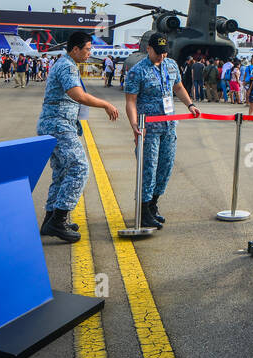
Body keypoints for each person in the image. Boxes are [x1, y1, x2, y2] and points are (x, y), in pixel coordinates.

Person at [38, 32, 120, 243]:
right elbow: (78, 95)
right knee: (79, 168)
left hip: (56, 124)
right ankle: (59, 219)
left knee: (62, 172)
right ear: (75, 49)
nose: (89, 53)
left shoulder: (66, 63)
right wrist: (106, 104)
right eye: (87, 49)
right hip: (59, 125)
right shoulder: (67, 66)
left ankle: (50, 220)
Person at [122, 35, 200, 227]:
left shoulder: (171, 65)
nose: (161, 57)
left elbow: (179, 87)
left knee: (165, 167)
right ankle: (143, 208)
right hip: (148, 129)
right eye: (158, 53)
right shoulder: (137, 71)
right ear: (149, 49)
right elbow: (130, 101)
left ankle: (153, 205)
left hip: (169, 127)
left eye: (164, 52)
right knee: (148, 168)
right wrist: (134, 125)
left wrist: (190, 105)